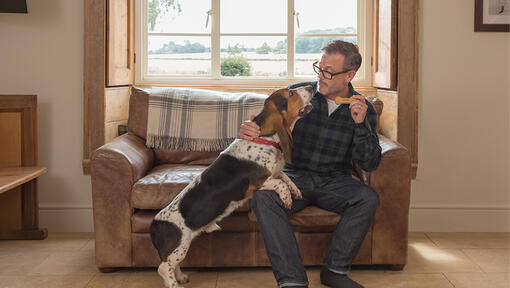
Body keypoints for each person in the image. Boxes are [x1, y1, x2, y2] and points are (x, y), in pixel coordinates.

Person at [239, 40, 381, 288]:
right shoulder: (296, 96)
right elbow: (265, 130)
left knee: (368, 198)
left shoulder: (363, 108)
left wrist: (360, 126)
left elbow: (370, 162)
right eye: (319, 68)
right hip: (294, 175)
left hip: (335, 179)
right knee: (263, 198)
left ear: (349, 75)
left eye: (328, 71)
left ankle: (335, 271)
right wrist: (250, 130)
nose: (320, 77)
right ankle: (292, 281)